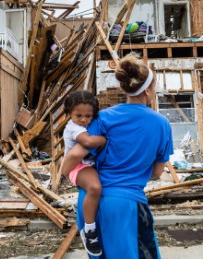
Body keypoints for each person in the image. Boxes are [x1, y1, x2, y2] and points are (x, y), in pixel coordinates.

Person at [60, 53, 174, 258]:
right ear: (147, 90)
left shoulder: (103, 118)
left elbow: (75, 154)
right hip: (127, 203)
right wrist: (132, 172)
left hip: (92, 202)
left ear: (125, 88)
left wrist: (65, 172)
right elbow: (157, 172)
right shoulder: (161, 124)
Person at [62, 90, 106, 256]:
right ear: (69, 114)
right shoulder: (73, 128)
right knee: (95, 188)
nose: (83, 120)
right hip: (77, 168)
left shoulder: (90, 124)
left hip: (88, 165)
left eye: (88, 116)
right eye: (78, 115)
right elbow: (87, 142)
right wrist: (104, 139)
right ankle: (89, 231)